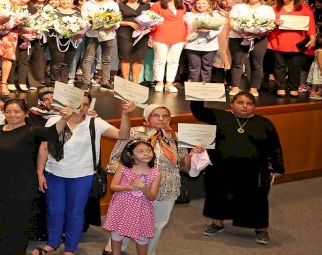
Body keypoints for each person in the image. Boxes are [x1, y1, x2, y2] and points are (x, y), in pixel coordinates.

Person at [33, 96, 134, 255]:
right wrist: (40, 173)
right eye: (78, 103)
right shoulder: (54, 120)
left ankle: (71, 248)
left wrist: (126, 114)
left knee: (75, 213)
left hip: (82, 175)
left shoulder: (95, 122)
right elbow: (44, 148)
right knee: (54, 211)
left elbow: (123, 135)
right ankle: (53, 243)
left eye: (85, 104)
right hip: (54, 174)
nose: (81, 107)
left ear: (89, 106)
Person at [101, 104, 202, 255]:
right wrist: (131, 178)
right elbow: (115, 159)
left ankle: (149, 252)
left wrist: (192, 154)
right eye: (156, 115)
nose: (161, 119)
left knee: (156, 225)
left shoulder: (175, 137)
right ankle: (116, 249)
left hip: (166, 187)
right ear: (147, 117)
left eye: (165, 115)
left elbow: (182, 165)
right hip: (134, 188)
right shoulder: (133, 133)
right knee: (126, 220)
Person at [190, 93, 284, 245]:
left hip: (253, 170)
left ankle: (261, 229)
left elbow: (275, 147)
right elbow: (198, 111)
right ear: (232, 104)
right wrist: (199, 92)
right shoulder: (220, 116)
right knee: (218, 195)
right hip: (221, 168)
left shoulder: (264, 123)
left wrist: (279, 168)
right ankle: (217, 224)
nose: (245, 106)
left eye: (249, 103)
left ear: (254, 106)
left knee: (257, 200)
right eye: (240, 102)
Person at [0, 99, 61, 254]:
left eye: (17, 111)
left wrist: (65, 118)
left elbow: (54, 132)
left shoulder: (33, 131)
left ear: (25, 113)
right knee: (0, 223)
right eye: (8, 111)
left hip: (21, 187)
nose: (12, 115)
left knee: (17, 226)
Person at [103, 141, 161, 255]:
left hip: (141, 210)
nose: (146, 154)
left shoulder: (155, 173)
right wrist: (130, 187)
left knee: (141, 237)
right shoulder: (123, 168)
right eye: (141, 151)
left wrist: (144, 188)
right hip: (122, 207)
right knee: (117, 234)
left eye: (149, 150)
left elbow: (152, 196)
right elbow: (113, 186)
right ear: (130, 154)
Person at [268, 0, 316, 97]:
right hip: (278, 40)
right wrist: (274, 22)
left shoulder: (304, 8)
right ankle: (281, 87)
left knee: (295, 66)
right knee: (279, 66)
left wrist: (313, 38)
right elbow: (267, 22)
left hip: (297, 41)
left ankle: (294, 87)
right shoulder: (274, 8)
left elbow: (311, 24)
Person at [228, 0, 276, 96]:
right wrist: (241, 33)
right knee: (237, 63)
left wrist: (257, 34)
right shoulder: (238, 7)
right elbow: (231, 22)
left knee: (257, 64)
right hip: (237, 37)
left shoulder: (267, 8)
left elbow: (270, 24)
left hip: (259, 38)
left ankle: (254, 88)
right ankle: (235, 87)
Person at [80, 0, 121, 89]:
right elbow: (84, 20)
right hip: (92, 34)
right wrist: (95, 25)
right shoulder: (87, 5)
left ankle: (105, 81)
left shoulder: (113, 4)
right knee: (88, 59)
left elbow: (117, 20)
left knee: (107, 59)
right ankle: (86, 82)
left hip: (109, 34)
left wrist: (111, 27)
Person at [149, 0, 188, 93]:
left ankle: (169, 84)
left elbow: (184, 20)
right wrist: (150, 37)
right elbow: (150, 22)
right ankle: (159, 82)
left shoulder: (182, 5)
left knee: (174, 61)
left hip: (179, 36)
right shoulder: (157, 5)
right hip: (160, 35)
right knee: (160, 60)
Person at [184, 0, 222, 82]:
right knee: (193, 67)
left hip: (209, 45)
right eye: (198, 3)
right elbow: (184, 28)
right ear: (195, 5)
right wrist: (195, 30)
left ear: (209, 5)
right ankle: (194, 86)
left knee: (207, 66)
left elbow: (219, 28)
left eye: (204, 3)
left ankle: (205, 85)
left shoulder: (215, 15)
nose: (201, 5)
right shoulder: (188, 15)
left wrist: (209, 31)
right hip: (192, 45)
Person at [117, 0, 150, 82]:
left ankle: (135, 82)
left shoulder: (146, 5)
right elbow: (116, 21)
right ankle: (126, 81)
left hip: (142, 34)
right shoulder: (120, 5)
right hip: (125, 34)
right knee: (125, 57)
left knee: (138, 58)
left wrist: (149, 25)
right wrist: (130, 23)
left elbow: (150, 18)